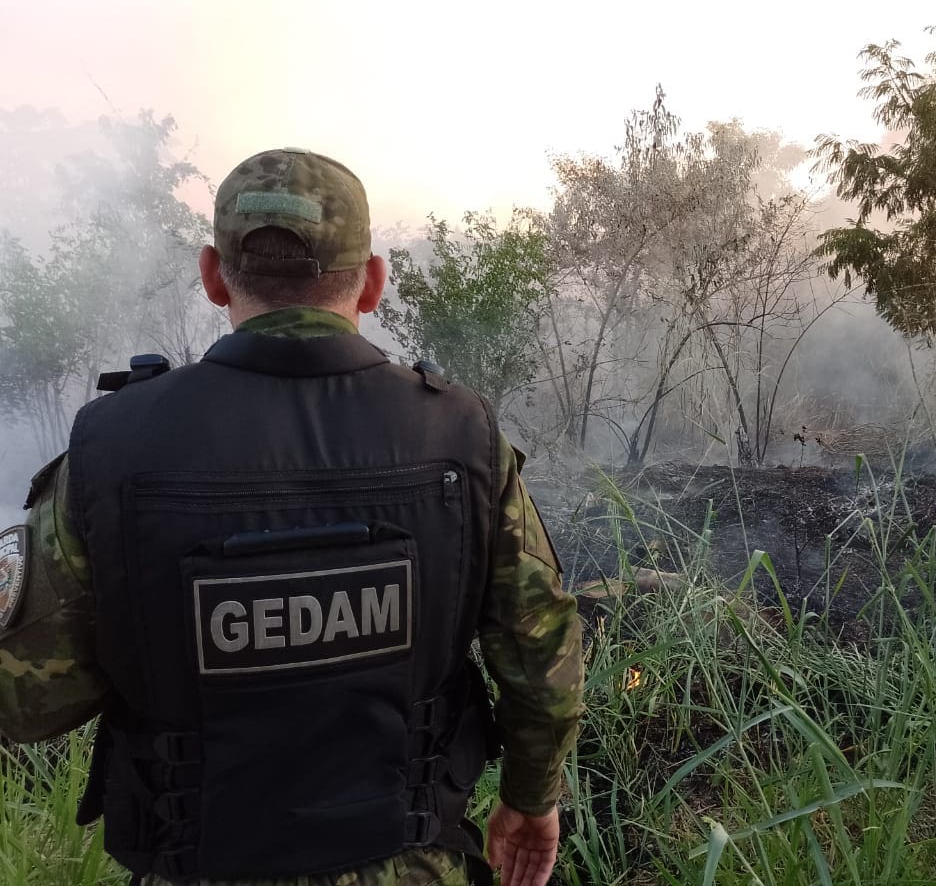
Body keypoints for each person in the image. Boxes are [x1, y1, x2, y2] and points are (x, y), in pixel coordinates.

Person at [0, 148, 584, 886]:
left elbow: (28, 699)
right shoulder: (462, 436)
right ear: (372, 281)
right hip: (413, 863)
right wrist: (533, 802)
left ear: (214, 275)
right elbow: (542, 657)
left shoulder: (113, 446)